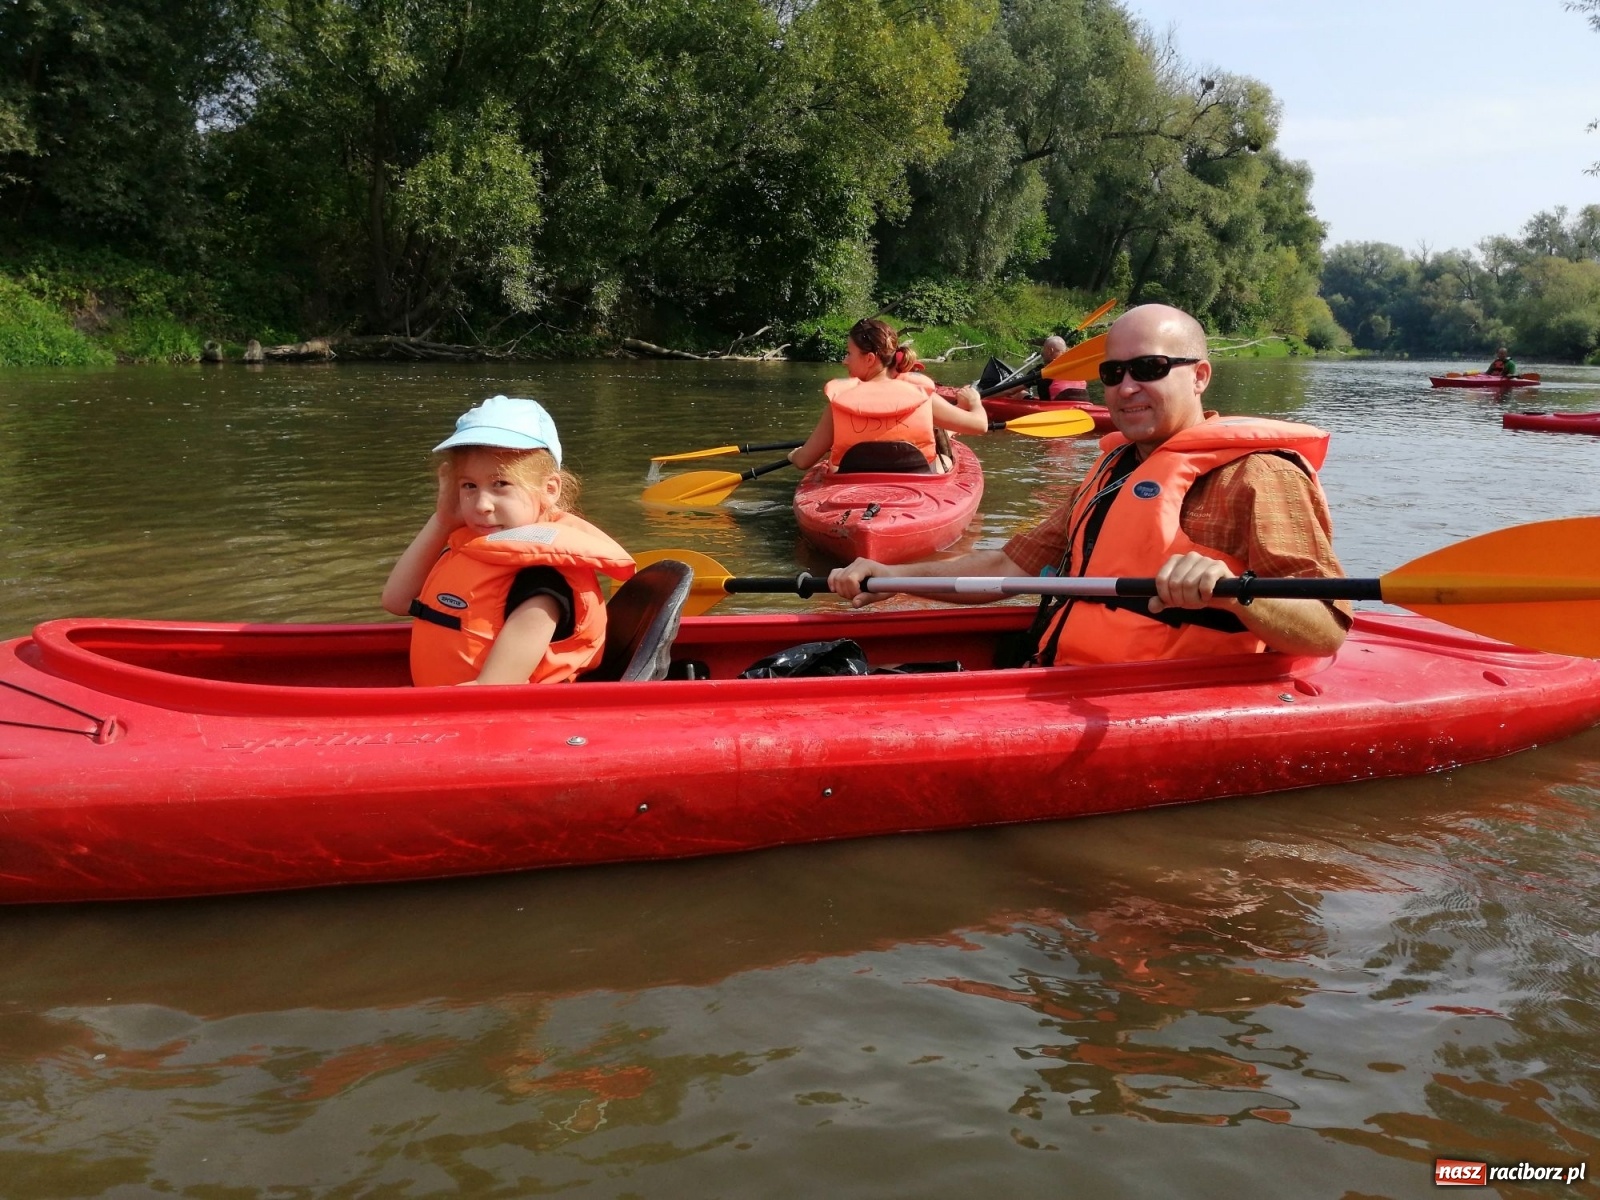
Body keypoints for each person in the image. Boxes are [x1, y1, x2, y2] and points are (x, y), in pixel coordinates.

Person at [828, 303, 1351, 666]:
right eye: (1113, 373)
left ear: (1199, 376)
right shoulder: (1113, 468)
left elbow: (1326, 628)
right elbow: (1010, 566)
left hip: (1156, 699)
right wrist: (892, 576)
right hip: (1066, 675)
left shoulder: (1259, 476)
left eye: (1149, 368)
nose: (1127, 387)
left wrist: (1237, 594)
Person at [381, 395, 635, 686]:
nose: (482, 505)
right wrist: (442, 521)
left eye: (500, 484)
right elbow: (396, 601)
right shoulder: (474, 547)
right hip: (455, 706)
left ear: (550, 489)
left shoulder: (543, 585)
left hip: (492, 712)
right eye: (469, 486)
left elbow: (492, 690)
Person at [787, 318, 989, 475]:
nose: (844, 361)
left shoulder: (838, 403)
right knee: (944, 449)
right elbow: (980, 425)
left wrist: (794, 455)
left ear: (869, 359)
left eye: (849, 354)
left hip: (852, 487)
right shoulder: (922, 397)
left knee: (831, 463)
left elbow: (804, 461)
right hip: (918, 485)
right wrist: (974, 402)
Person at [1038, 334, 1088, 401]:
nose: (1042, 353)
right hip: (1080, 404)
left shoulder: (1043, 370)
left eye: (1044, 349)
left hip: (1053, 406)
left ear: (1051, 351)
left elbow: (1021, 386)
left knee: (1023, 393)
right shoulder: (1076, 366)